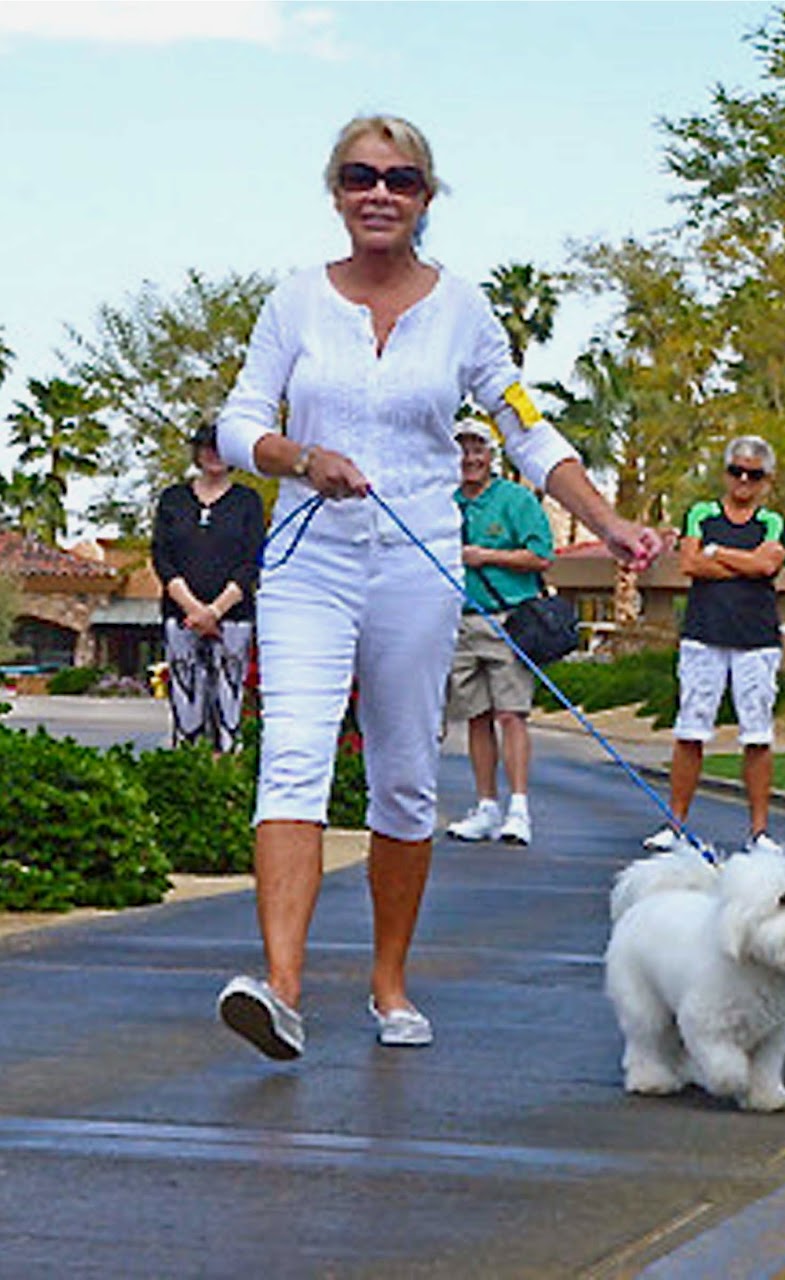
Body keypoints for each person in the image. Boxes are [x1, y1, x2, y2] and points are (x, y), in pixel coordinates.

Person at [213, 115, 661, 1061]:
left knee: (406, 777)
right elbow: (237, 422)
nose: (380, 192)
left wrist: (611, 520)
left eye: (402, 179)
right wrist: (298, 455)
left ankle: (388, 983)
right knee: (291, 759)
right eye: (361, 175)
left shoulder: (464, 310)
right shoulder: (294, 302)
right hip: (308, 558)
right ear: (335, 191)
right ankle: (282, 991)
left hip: (417, 564)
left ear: (426, 197)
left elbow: (526, 424)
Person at [642, 436, 785, 854]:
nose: (744, 480)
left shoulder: (772, 521)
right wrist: (743, 564)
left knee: (757, 735)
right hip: (704, 635)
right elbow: (690, 563)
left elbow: (768, 564)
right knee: (691, 728)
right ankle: (675, 822)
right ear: (726, 473)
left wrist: (718, 553)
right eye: (737, 471)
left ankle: (759, 831)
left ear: (765, 480)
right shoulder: (701, 514)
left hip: (756, 639)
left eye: (754, 474)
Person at [443, 420, 555, 847]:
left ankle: (519, 807)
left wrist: (483, 556)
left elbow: (540, 555)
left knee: (511, 714)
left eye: (478, 450)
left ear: (492, 456)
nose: (470, 459)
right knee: (477, 716)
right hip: (460, 621)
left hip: (507, 618)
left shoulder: (515, 499)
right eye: (462, 450)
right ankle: (486, 805)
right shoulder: (444, 501)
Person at [151, 424, 264, 752]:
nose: (213, 454)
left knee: (229, 702)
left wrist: (215, 611)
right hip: (181, 615)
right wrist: (192, 608)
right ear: (196, 452)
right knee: (186, 700)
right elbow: (161, 556)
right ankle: (187, 775)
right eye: (206, 447)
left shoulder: (247, 501)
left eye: (220, 447)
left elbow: (252, 560)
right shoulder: (173, 499)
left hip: (233, 615)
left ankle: (227, 775)